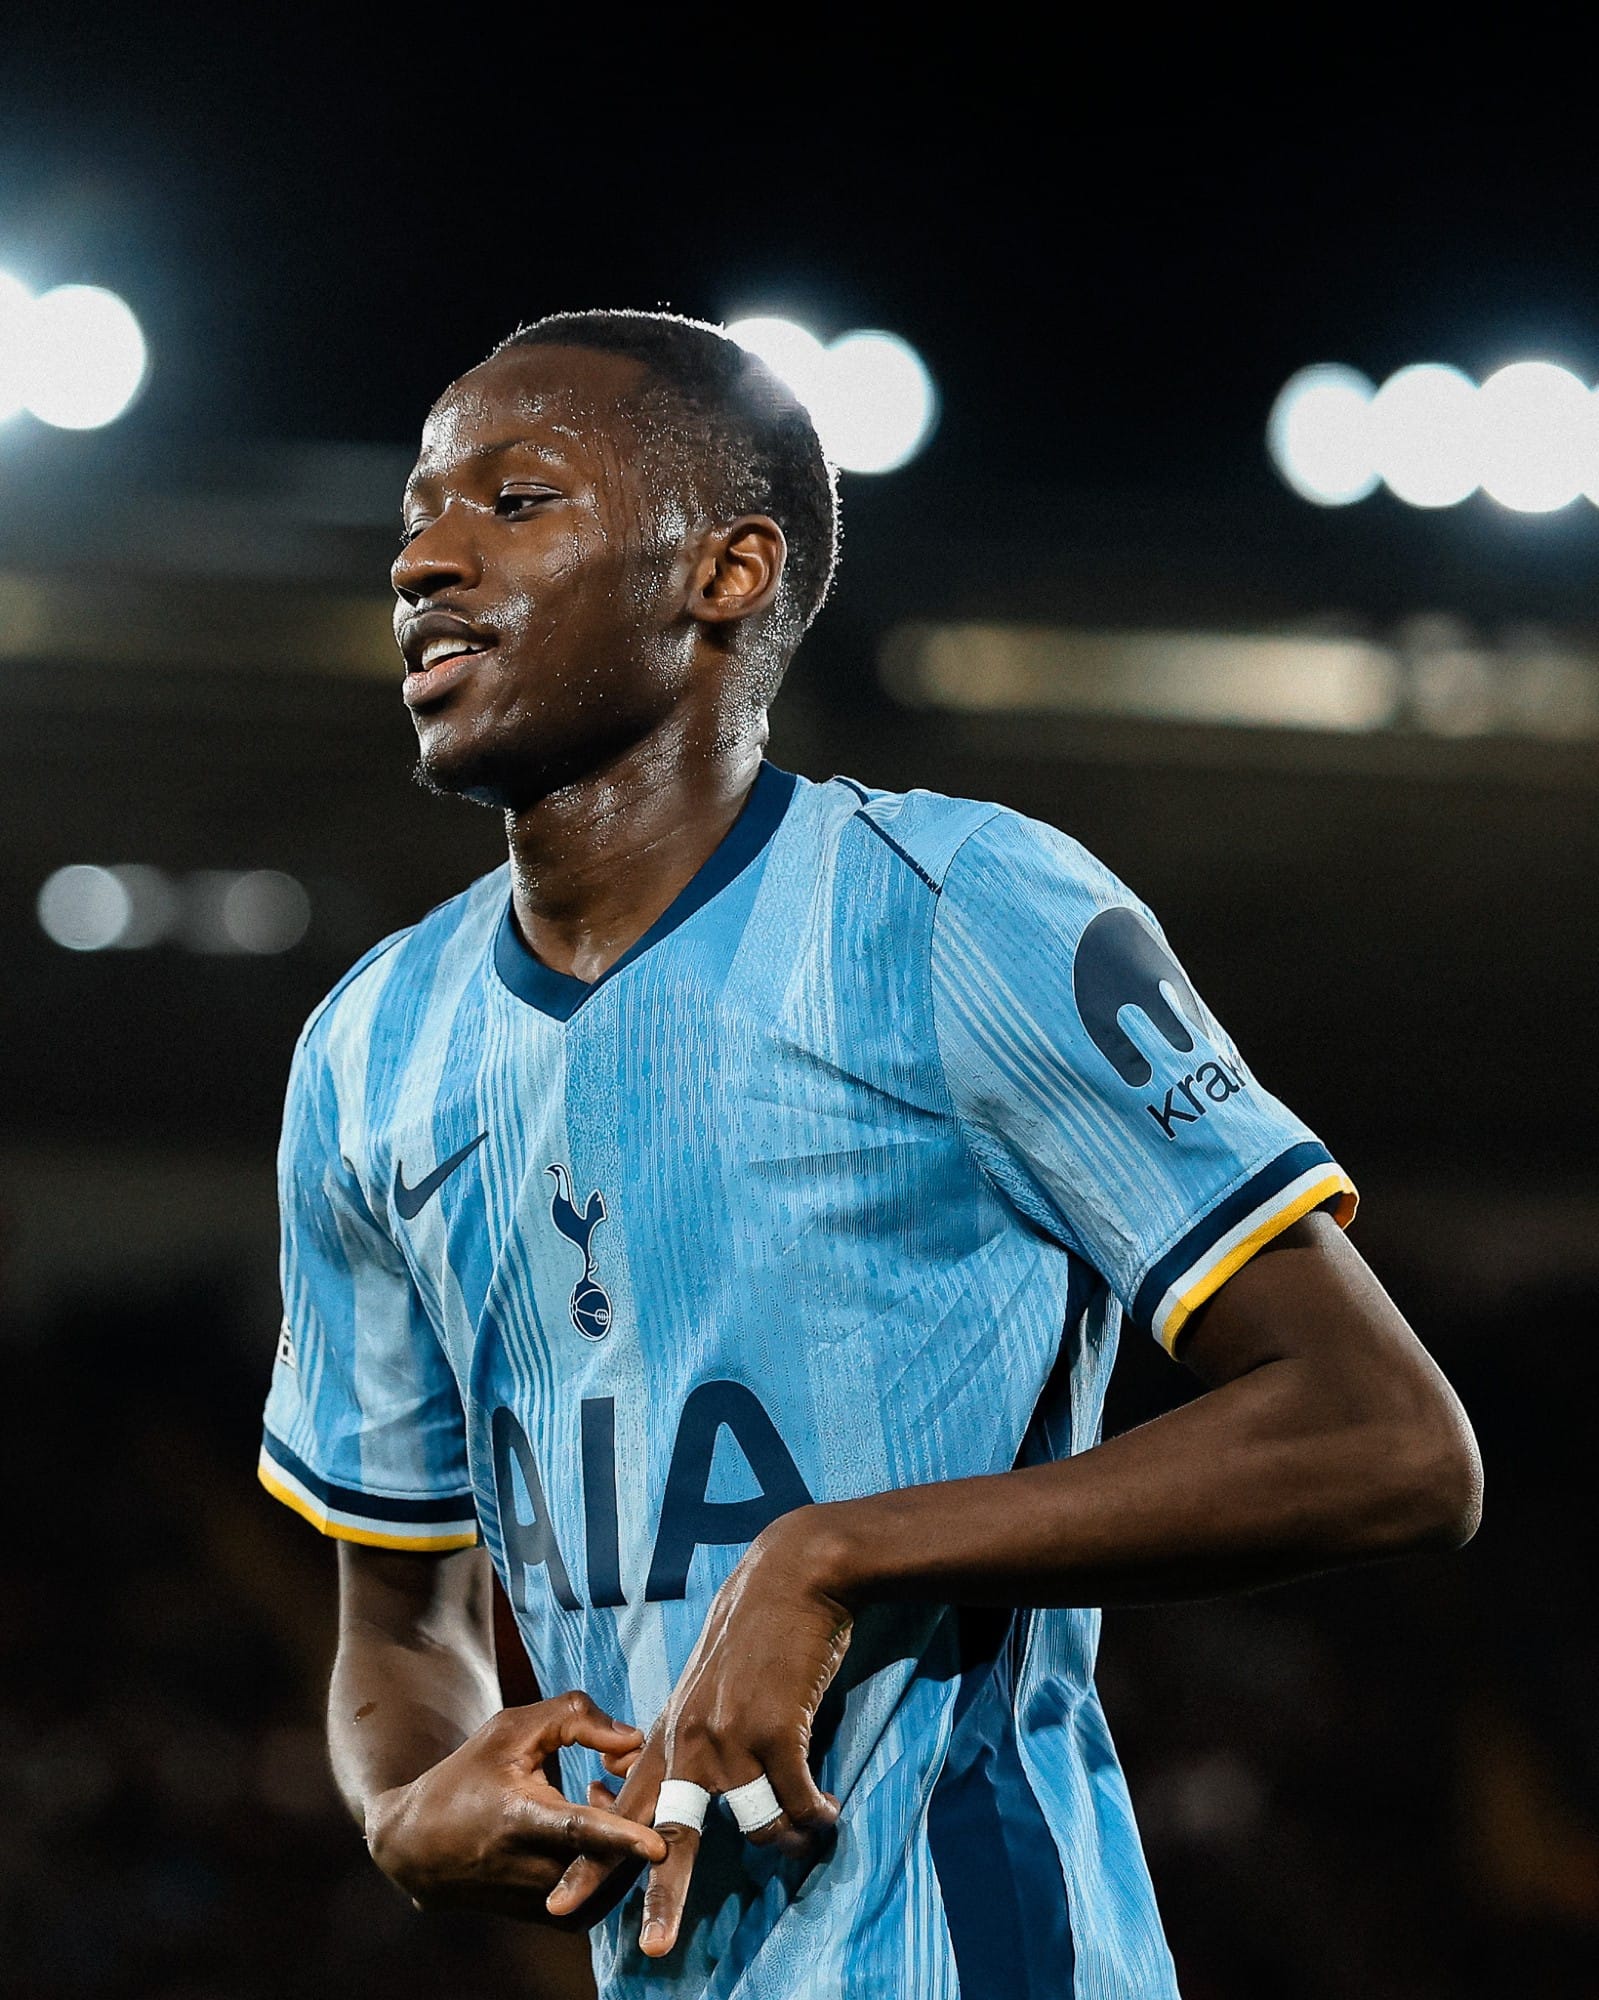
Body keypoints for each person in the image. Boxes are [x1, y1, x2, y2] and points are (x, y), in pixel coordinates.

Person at [257, 309, 1482, 1999]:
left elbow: (1395, 1440)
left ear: (728, 571)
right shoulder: (366, 1052)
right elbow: (398, 1625)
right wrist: (406, 1806)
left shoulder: (958, 909)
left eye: (516, 502)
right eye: (417, 511)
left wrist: (834, 1554)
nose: (425, 559)